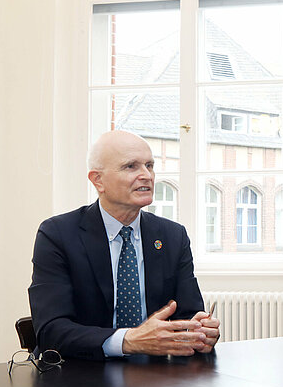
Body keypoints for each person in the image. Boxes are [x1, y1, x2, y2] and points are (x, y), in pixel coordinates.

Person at [28, 130, 220, 360]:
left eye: (149, 165)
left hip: (155, 380)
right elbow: (51, 331)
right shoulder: (57, 234)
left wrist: (200, 332)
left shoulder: (172, 236)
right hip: (81, 374)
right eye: (131, 166)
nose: (146, 175)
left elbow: (188, 316)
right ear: (98, 180)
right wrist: (129, 340)